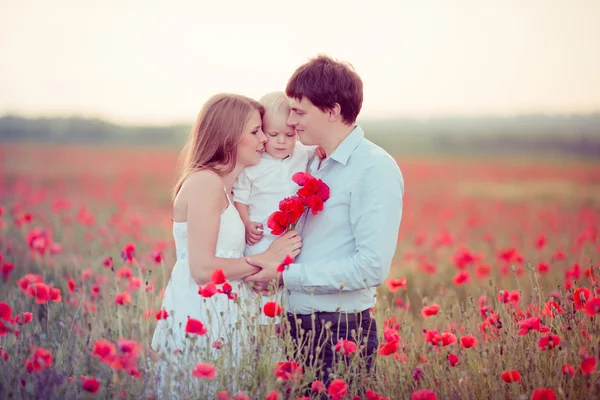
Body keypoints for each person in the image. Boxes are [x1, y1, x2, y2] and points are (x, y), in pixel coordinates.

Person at [245, 55, 404, 389]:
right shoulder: (312, 160)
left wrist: (286, 275)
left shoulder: (373, 168)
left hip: (339, 331)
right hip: (292, 326)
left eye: (299, 112)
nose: (291, 121)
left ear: (332, 111)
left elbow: (371, 267)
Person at [150, 93, 303, 398]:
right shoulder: (205, 183)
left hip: (224, 314)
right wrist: (265, 259)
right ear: (229, 136)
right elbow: (202, 269)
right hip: (203, 315)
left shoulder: (226, 187)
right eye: (255, 131)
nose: (264, 139)